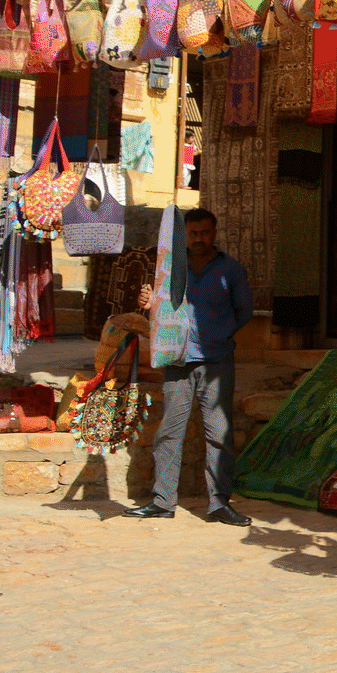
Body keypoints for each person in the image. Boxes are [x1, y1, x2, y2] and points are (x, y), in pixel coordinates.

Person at [124, 207, 254, 525]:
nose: (199, 239)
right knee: (170, 431)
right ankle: (163, 501)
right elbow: (157, 311)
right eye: (193, 233)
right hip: (177, 359)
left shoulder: (231, 271)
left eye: (204, 233)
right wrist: (148, 302)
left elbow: (244, 312)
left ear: (214, 233)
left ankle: (219, 503)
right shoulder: (168, 269)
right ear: (185, 236)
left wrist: (219, 336)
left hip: (216, 360)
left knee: (219, 434)